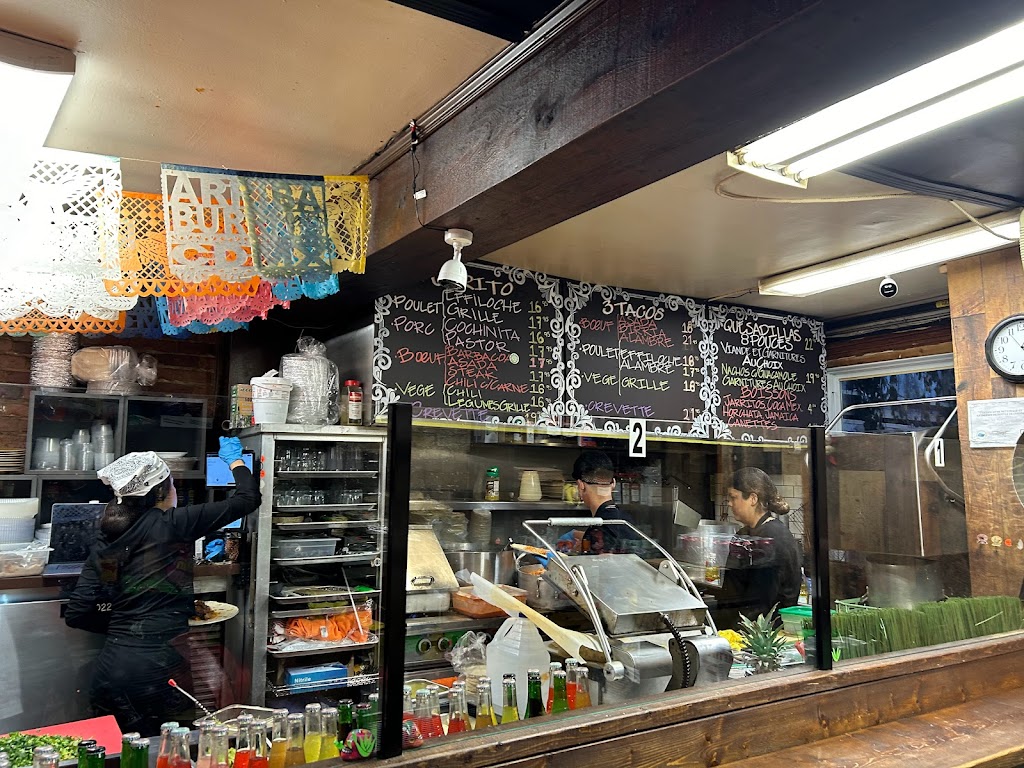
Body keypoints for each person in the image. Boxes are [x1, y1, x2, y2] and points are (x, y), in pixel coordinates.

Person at [65, 437, 260, 735]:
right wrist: (235, 460)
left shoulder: (107, 536)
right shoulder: (173, 523)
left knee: (118, 751)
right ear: (161, 492)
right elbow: (247, 498)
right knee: (170, 749)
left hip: (111, 668)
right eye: (172, 485)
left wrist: (129, 628)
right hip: (158, 672)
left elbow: (78, 612)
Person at [718, 467, 802, 626]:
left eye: (733, 497)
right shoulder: (748, 533)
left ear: (752, 499)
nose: (729, 503)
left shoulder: (771, 538)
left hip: (763, 629)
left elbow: (761, 601)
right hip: (743, 626)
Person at [565, 450, 636, 555]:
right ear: (613, 483)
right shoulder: (625, 520)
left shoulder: (599, 528)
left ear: (581, 485)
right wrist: (580, 536)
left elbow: (602, 561)